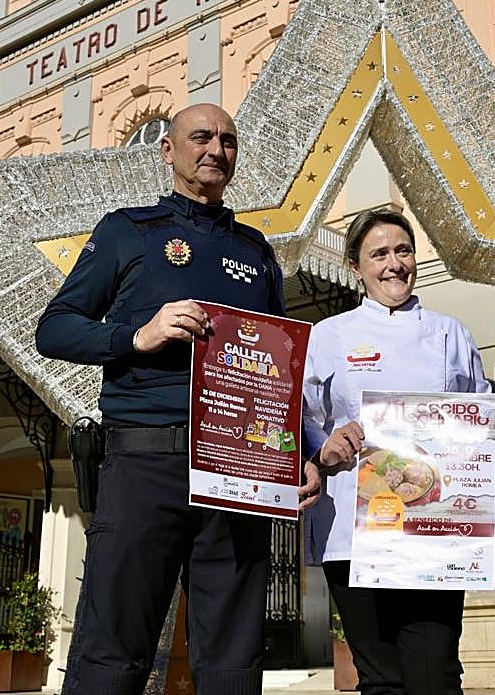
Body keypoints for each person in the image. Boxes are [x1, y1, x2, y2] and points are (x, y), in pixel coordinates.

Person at [35, 103, 321, 695]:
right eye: (200, 137)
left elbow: (279, 373)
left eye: (227, 140)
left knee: (235, 654)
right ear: (168, 151)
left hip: (239, 468)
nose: (216, 149)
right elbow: (54, 328)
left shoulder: (258, 252)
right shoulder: (128, 230)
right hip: (147, 460)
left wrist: (299, 456)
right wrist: (136, 337)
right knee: (114, 644)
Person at [302, 209, 495, 695]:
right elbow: (304, 421)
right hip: (355, 532)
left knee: (436, 672)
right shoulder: (328, 336)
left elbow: (476, 418)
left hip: (435, 528)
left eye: (403, 251)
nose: (394, 264)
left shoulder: (451, 333)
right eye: (379, 254)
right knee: (379, 677)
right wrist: (323, 449)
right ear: (355, 267)